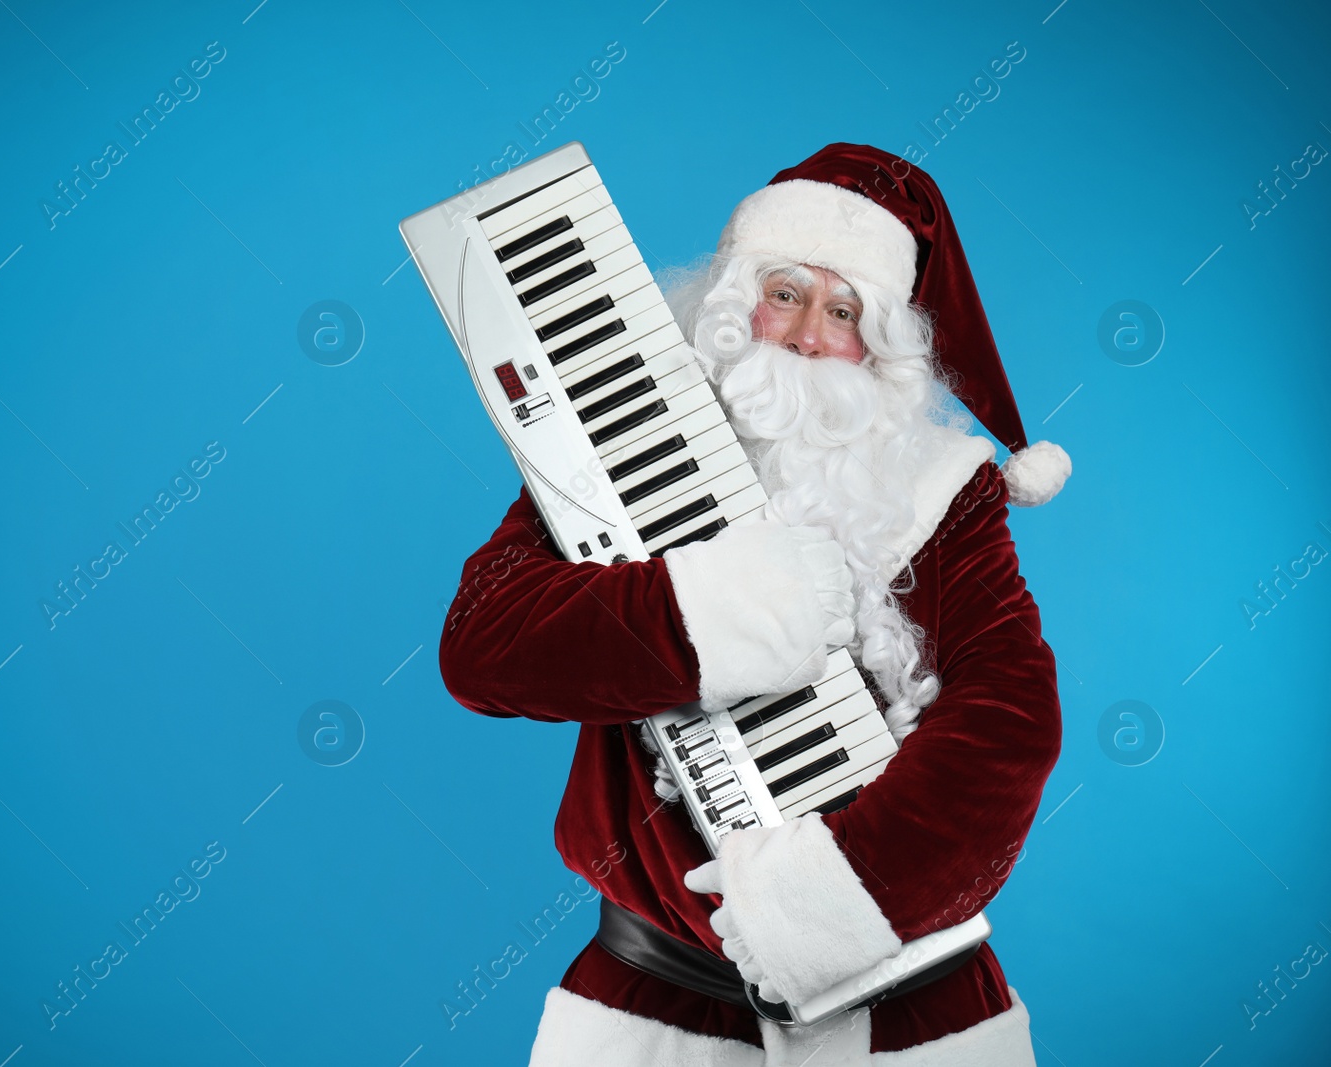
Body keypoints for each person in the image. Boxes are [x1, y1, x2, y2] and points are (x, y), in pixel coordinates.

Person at [438, 143, 1070, 1066]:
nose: (809, 334)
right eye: (786, 293)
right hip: (651, 1005)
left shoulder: (946, 493)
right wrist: (716, 615)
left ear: (880, 346)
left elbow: (1009, 722)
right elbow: (485, 645)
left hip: (908, 1012)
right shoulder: (612, 460)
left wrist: (832, 902)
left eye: (844, 310)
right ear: (738, 305)